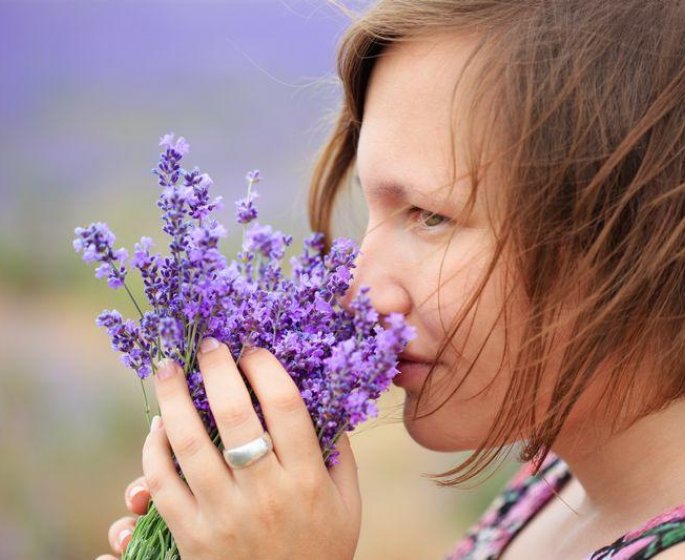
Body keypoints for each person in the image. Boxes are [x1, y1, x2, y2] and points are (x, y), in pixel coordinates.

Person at [97, 0, 685, 558]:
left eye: (431, 215)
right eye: (372, 212)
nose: (358, 293)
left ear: (634, 224)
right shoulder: (553, 488)